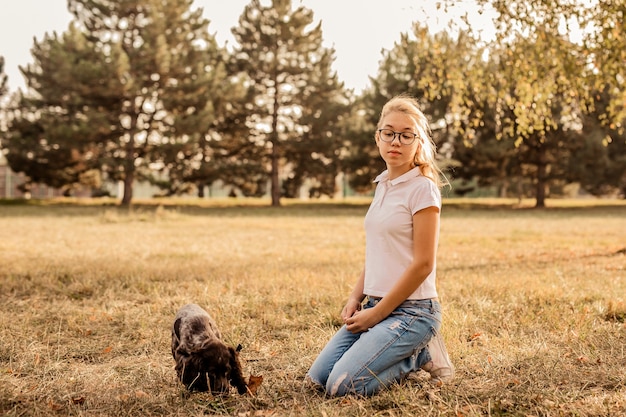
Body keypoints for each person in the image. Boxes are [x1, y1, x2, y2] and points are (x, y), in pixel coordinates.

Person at [306, 94, 454, 397]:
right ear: (378, 138)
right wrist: (355, 297)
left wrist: (376, 315)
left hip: (414, 312)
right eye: (388, 133)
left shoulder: (423, 189)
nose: (395, 141)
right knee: (319, 378)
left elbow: (424, 264)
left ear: (418, 142)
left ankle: (418, 355)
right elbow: (377, 251)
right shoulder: (383, 184)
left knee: (343, 386)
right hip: (376, 304)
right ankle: (396, 349)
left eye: (406, 134)